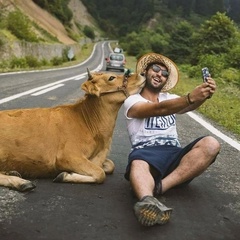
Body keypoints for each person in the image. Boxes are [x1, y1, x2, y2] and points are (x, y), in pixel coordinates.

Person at [123, 53, 220, 227]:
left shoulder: (171, 98)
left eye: (165, 73)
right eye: (156, 69)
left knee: (211, 144)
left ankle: (159, 188)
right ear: (146, 71)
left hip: (174, 154)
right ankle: (147, 201)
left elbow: (187, 105)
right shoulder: (132, 100)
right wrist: (190, 97)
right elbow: (159, 109)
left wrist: (204, 94)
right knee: (138, 162)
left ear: (165, 80)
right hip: (146, 154)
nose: (160, 74)